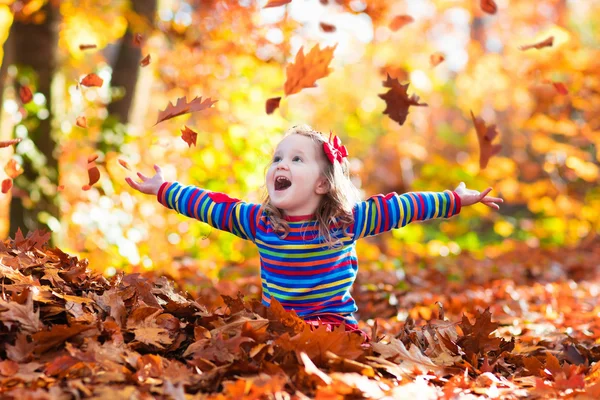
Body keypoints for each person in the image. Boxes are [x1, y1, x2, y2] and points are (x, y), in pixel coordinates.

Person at [125, 124, 503, 342]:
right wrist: (164, 188)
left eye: (295, 158)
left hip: (335, 327)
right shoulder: (260, 223)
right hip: (278, 326)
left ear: (323, 183)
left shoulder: (347, 222)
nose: (280, 165)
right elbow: (208, 205)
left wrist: (454, 199)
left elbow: (406, 206)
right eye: (277, 158)